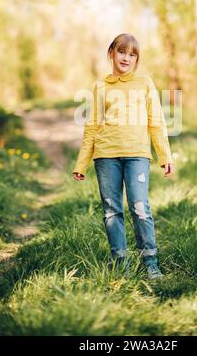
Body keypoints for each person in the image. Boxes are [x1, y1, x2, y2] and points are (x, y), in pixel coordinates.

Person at [73, 33, 174, 280]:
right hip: (105, 156)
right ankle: (121, 264)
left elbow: (156, 122)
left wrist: (165, 156)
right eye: (121, 52)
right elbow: (92, 126)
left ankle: (150, 262)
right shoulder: (101, 86)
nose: (126, 58)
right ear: (111, 54)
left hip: (137, 155)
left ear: (137, 59)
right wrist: (82, 163)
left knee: (140, 207)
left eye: (132, 54)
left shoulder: (145, 83)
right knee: (111, 211)